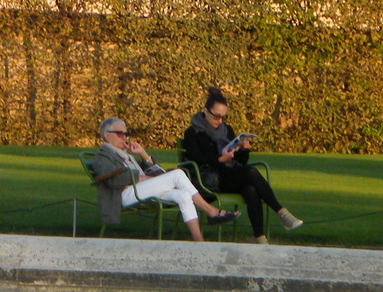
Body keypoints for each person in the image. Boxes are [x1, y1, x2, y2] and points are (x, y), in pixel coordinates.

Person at [181, 87, 302, 243]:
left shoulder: (226, 130)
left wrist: (243, 150)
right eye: (216, 117)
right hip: (209, 178)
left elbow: (240, 161)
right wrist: (219, 159)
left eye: (223, 117)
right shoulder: (193, 132)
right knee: (251, 173)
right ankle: (281, 212)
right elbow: (194, 158)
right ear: (205, 111)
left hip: (230, 175)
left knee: (251, 189)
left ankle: (261, 240)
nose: (220, 121)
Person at [92, 116, 237, 242]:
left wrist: (142, 153)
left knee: (184, 195)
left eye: (125, 134)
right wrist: (141, 178)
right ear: (106, 135)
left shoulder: (126, 155)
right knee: (178, 174)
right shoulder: (102, 156)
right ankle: (210, 211)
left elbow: (157, 171)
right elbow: (111, 179)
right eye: (119, 134)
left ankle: (199, 241)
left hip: (142, 189)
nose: (124, 137)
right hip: (124, 194)